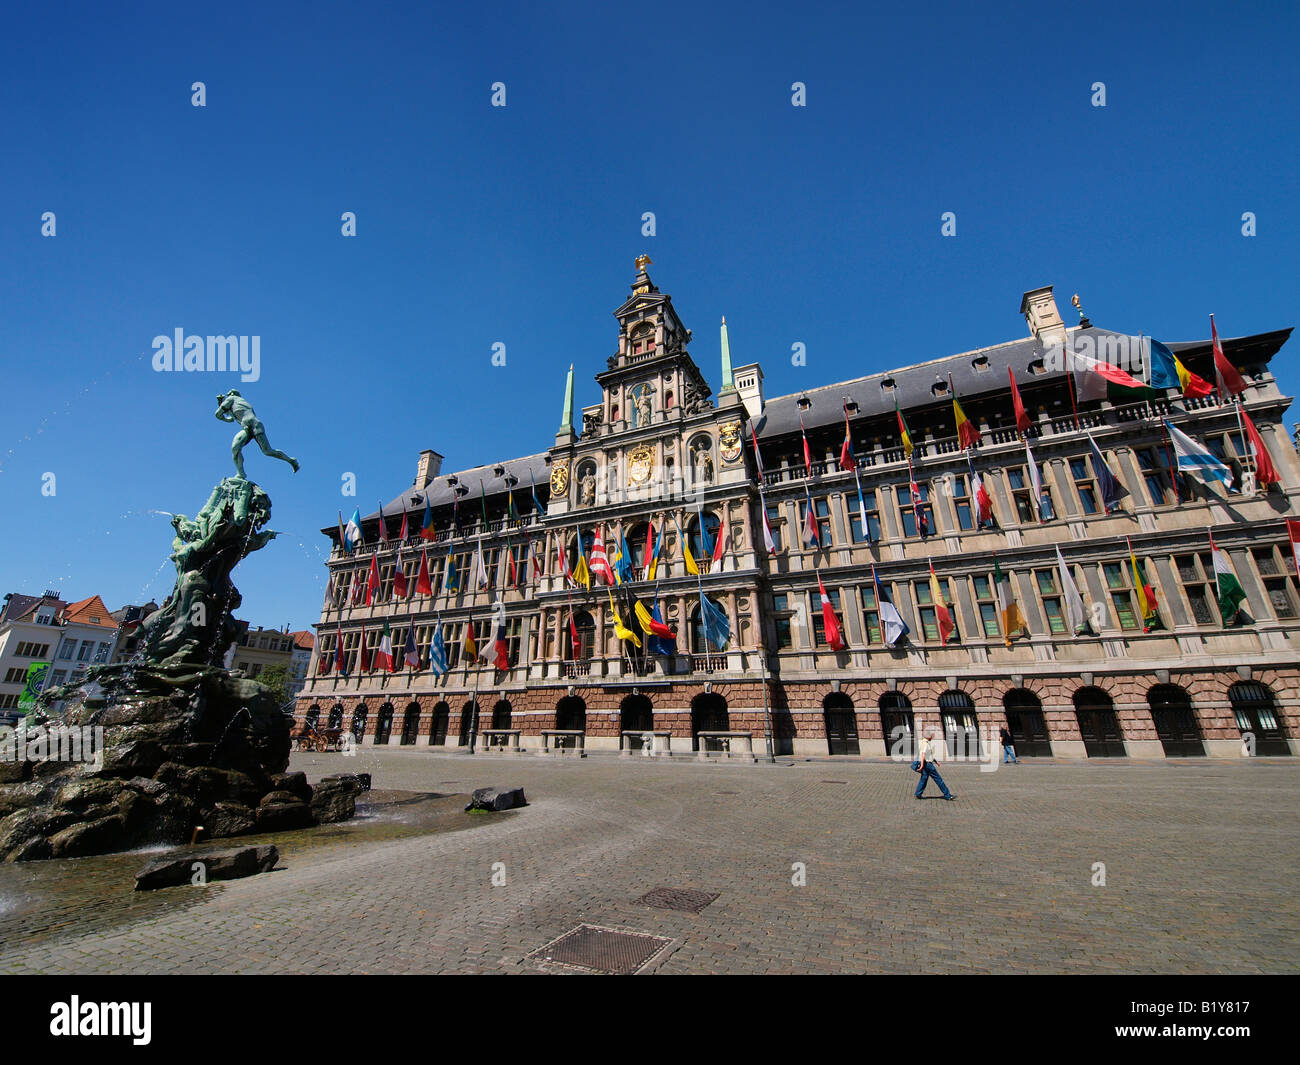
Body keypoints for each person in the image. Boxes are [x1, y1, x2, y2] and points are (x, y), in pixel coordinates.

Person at [914, 728, 956, 801]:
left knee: (923, 779)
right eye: (932, 736)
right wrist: (921, 766)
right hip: (927, 765)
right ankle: (947, 795)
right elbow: (923, 755)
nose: (932, 737)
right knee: (938, 779)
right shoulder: (925, 744)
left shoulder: (924, 743)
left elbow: (929, 755)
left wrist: (936, 761)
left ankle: (918, 793)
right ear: (928, 736)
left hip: (926, 764)